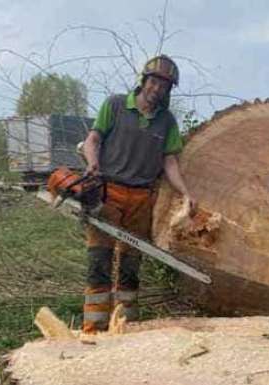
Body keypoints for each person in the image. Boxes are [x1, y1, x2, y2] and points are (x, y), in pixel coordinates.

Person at [80, 55, 195, 334]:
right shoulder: (116, 105)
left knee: (131, 264)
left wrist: (186, 192)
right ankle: (94, 327)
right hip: (110, 191)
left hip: (143, 198)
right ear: (144, 81)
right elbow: (93, 139)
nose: (157, 88)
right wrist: (93, 163)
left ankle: (126, 326)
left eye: (164, 85)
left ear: (168, 91)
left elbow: (169, 161)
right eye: (154, 81)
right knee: (100, 260)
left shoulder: (166, 121)